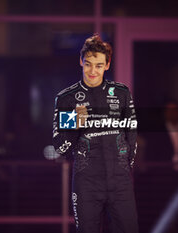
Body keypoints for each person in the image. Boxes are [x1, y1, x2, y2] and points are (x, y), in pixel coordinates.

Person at [52, 34, 139, 233]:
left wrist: (125, 168)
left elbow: (131, 133)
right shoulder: (67, 99)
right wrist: (74, 122)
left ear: (107, 65)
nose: (93, 71)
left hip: (120, 182)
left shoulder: (121, 93)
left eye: (99, 65)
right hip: (87, 183)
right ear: (81, 61)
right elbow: (60, 147)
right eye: (89, 64)